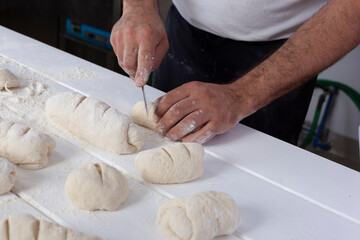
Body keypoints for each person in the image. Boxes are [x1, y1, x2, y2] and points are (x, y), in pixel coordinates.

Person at [110, 0, 360, 145]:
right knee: (160, 140)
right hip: (184, 33)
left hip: (287, 52)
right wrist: (137, 6)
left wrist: (242, 96)